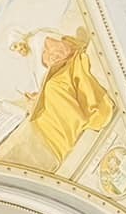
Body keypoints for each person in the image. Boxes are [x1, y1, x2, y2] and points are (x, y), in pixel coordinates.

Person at [9, 28, 115, 164]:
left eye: (17, 45)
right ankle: (64, 140)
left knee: (53, 88)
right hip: (57, 74)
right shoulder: (30, 57)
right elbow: (41, 78)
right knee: (40, 115)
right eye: (15, 49)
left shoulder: (38, 39)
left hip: (69, 64)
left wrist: (54, 60)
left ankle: (78, 122)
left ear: (21, 39)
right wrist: (36, 94)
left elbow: (65, 50)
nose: (19, 50)